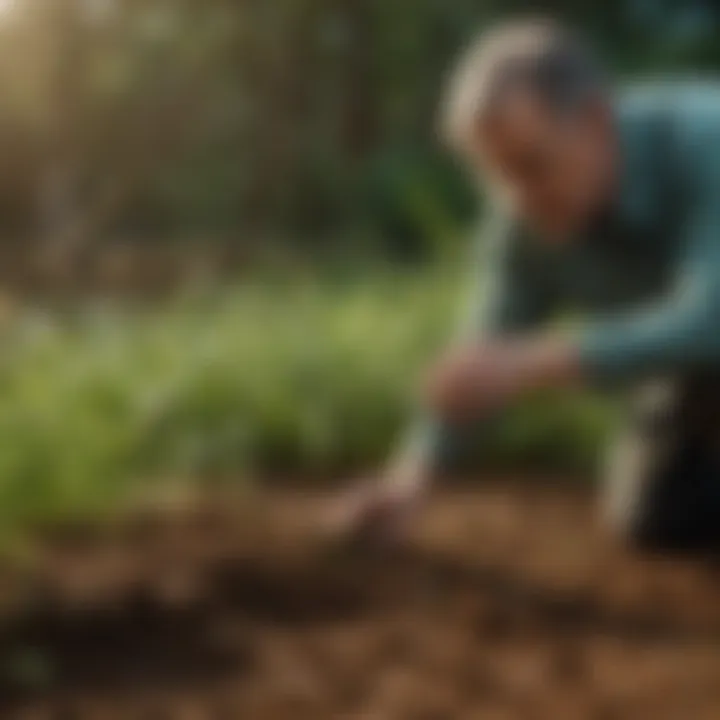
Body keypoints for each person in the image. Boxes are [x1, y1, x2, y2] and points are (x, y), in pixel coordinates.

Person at [335, 17, 720, 554]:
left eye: (531, 165)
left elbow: (710, 321)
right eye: (494, 177)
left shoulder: (707, 140)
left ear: (594, 122)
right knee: (656, 515)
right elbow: (486, 353)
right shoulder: (522, 216)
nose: (518, 199)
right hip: (697, 388)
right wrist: (411, 479)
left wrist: (533, 362)